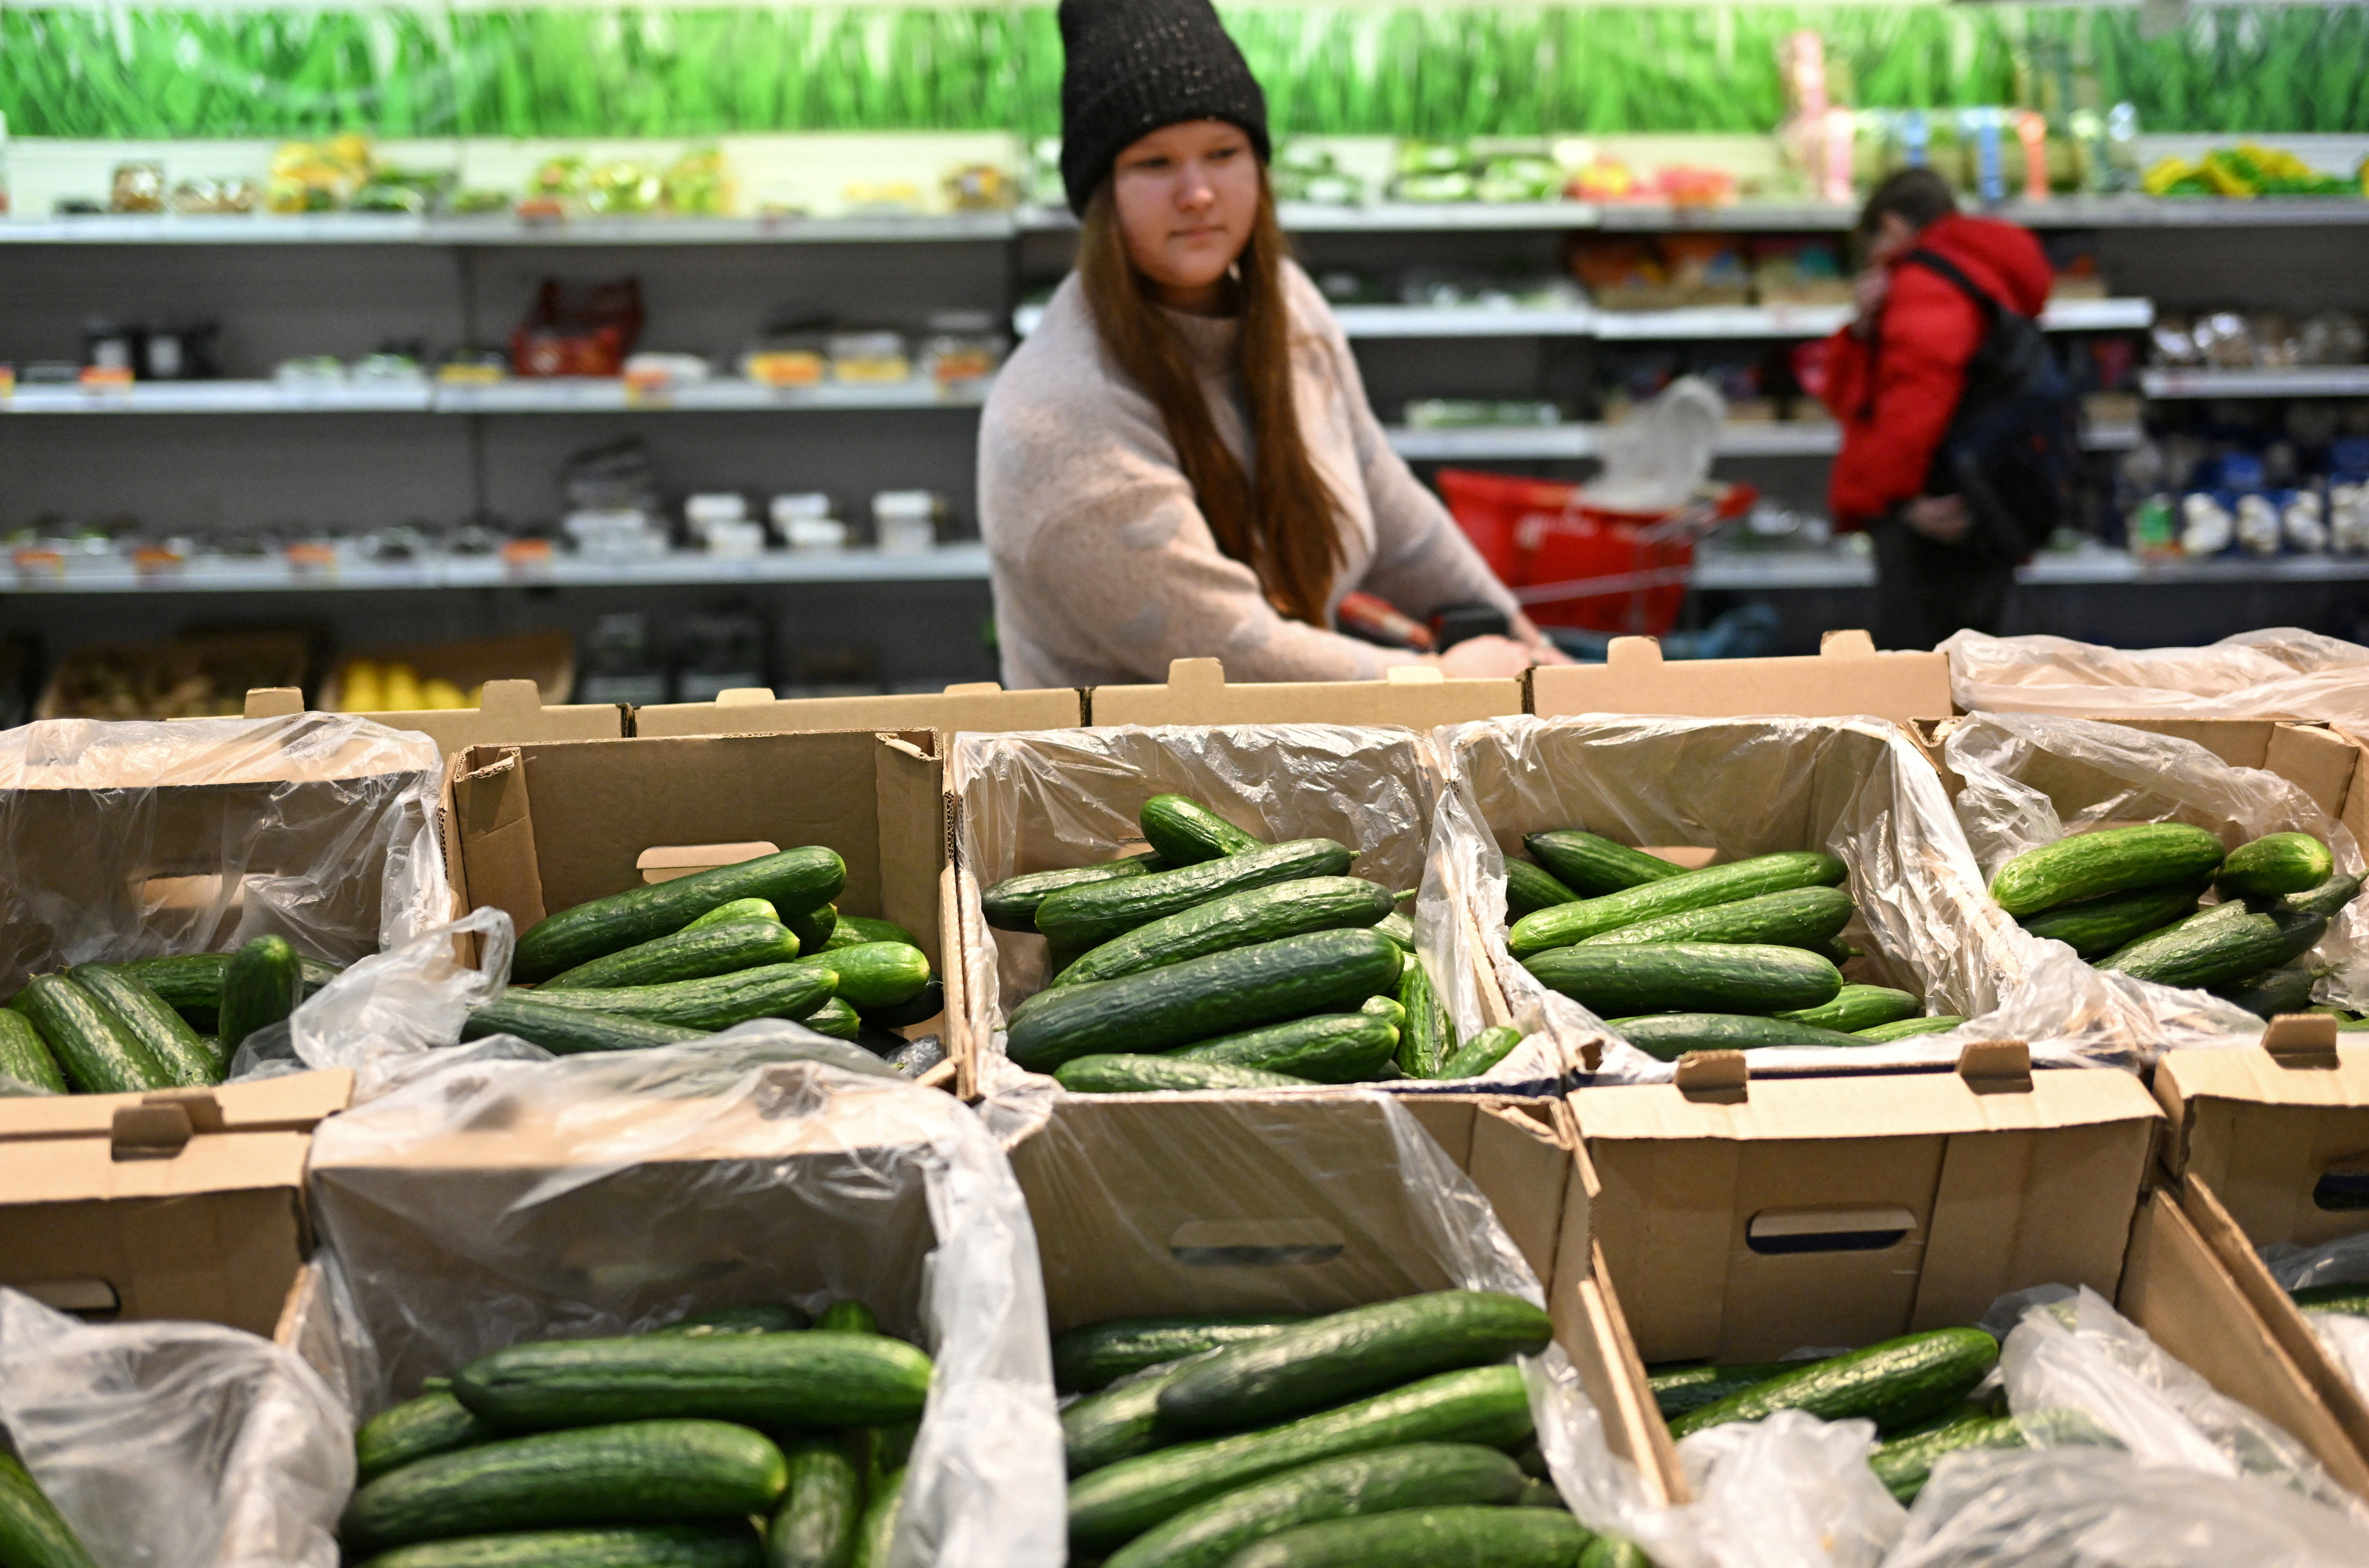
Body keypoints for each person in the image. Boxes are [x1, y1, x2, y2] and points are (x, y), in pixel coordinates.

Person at [977, 0, 1565, 688]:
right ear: (1102, 193)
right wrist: (1439, 678)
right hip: (1124, 781)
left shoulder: (1287, 305)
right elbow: (1222, 652)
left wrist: (1522, 643)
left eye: (1223, 153)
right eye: (1155, 162)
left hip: (1274, 751)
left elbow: (1383, 501)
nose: (1197, 193)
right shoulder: (1060, 416)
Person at [1820, 167, 2055, 652]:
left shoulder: (1926, 284)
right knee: (1974, 667)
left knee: (1921, 678)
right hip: (1980, 496)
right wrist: (1863, 329)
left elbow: (1916, 403)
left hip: (1935, 513)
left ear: (1891, 226)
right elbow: (1848, 397)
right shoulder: (1976, 271)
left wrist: (1898, 502)